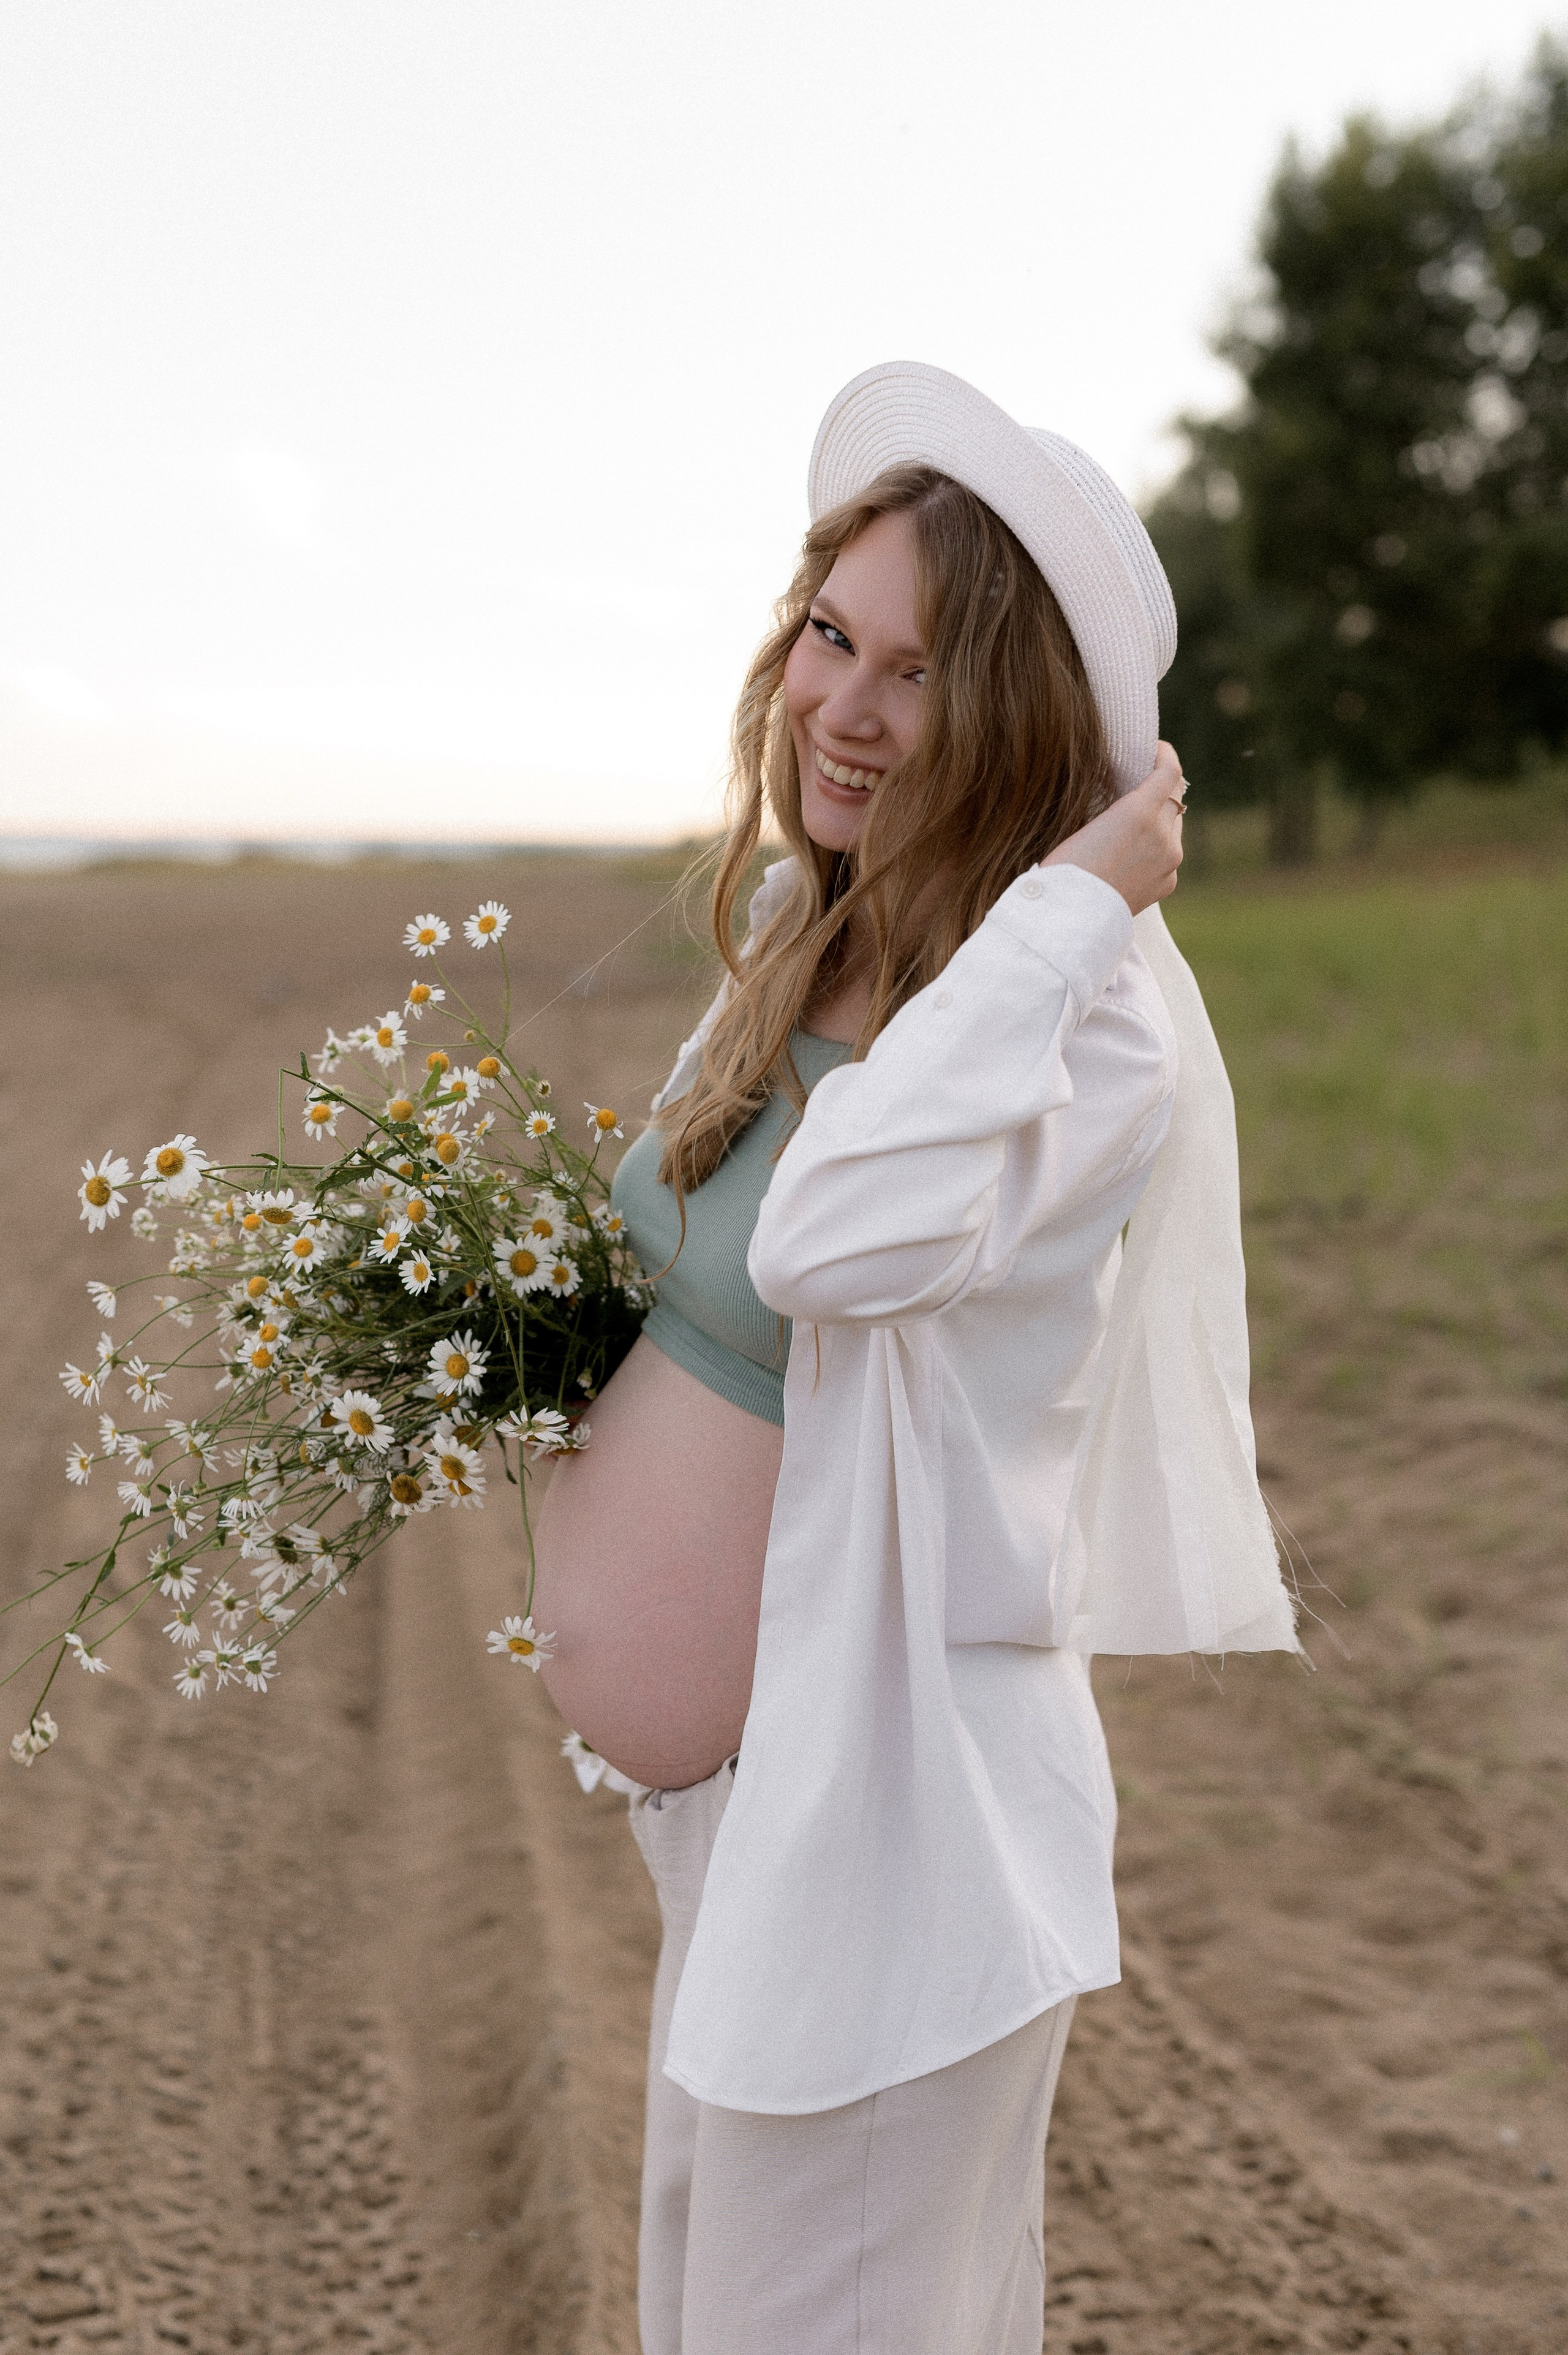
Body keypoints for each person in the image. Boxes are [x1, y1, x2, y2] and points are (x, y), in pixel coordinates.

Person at [531, 361, 1298, 2355]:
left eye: (920, 670)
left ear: (1024, 714)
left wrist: (1065, 905)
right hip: (747, 1834)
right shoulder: (817, 921)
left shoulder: (1085, 1011)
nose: (844, 708)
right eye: (829, 637)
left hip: (896, 1847)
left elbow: (828, 1238)